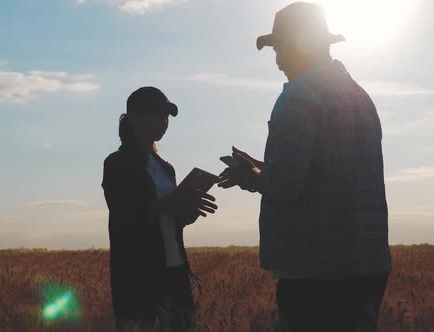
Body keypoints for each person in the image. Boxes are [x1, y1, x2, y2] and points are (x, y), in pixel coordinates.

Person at [218, 3, 392, 331]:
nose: (278, 60)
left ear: (299, 45)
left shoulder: (299, 96)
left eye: (280, 48)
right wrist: (263, 166)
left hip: (316, 268)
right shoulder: (359, 96)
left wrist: (248, 176)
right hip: (368, 261)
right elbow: (326, 166)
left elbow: (285, 183)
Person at [102, 86, 218, 331]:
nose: (163, 122)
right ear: (133, 117)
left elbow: (171, 218)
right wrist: (173, 202)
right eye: (155, 115)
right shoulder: (116, 163)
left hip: (175, 269)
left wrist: (188, 211)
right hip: (137, 274)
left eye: (166, 117)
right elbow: (126, 214)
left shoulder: (166, 168)